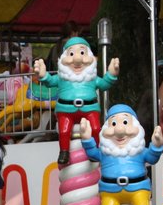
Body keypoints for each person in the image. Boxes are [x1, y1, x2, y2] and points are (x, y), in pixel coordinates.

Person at [79, 106, 163, 205]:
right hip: (110, 190)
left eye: (125, 123)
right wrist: (87, 139)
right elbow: (92, 154)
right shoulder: (105, 152)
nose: (119, 130)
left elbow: (152, 158)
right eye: (113, 124)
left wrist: (157, 145)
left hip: (137, 188)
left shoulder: (139, 151)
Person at [31, 37, 119, 166]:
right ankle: (64, 151)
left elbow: (104, 84)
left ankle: (96, 150)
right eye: (71, 54)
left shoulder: (92, 77)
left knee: (95, 128)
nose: (77, 59)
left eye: (82, 53)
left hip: (89, 109)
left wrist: (111, 75)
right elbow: (50, 82)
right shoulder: (62, 77)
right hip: (66, 110)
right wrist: (43, 75)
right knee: (64, 131)